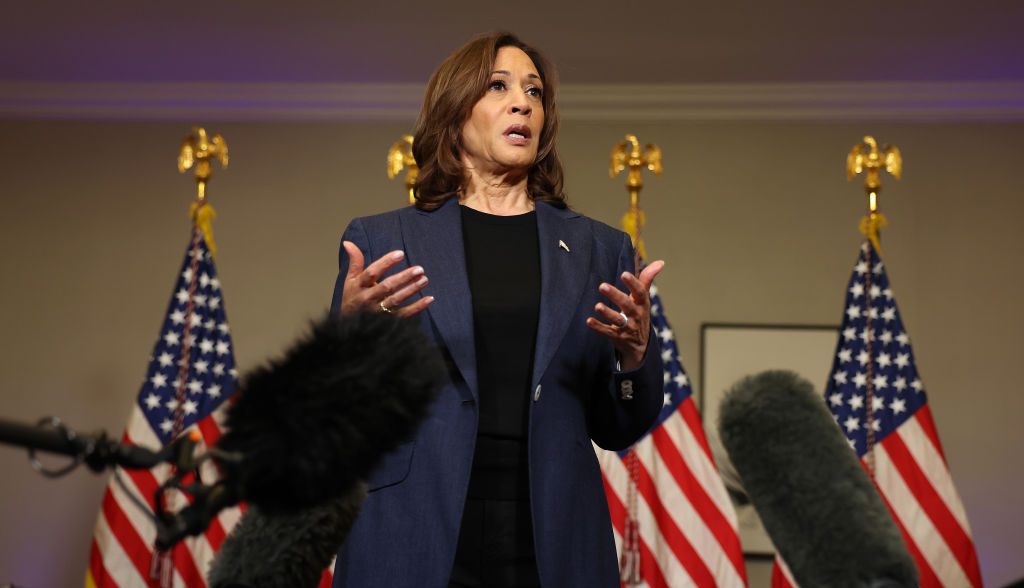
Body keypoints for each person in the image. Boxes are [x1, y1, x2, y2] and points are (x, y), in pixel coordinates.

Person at [329, 31, 665, 588]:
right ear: (455, 112)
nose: (523, 102)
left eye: (534, 93)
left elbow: (618, 426)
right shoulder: (383, 239)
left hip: (552, 534)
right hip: (414, 528)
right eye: (499, 86)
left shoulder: (599, 250)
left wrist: (633, 358)